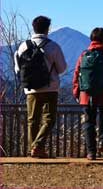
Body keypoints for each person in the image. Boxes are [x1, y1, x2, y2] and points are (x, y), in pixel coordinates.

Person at [14, 15, 67, 158]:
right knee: (49, 119)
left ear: (33, 27)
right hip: (50, 88)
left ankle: (35, 149)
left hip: (31, 89)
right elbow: (62, 68)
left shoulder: (23, 46)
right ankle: (38, 146)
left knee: (33, 120)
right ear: (47, 29)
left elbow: (18, 68)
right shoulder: (53, 46)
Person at [72, 27, 103, 160]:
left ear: (91, 39)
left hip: (86, 95)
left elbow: (77, 74)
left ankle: (91, 152)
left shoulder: (84, 55)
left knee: (89, 122)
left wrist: (77, 92)